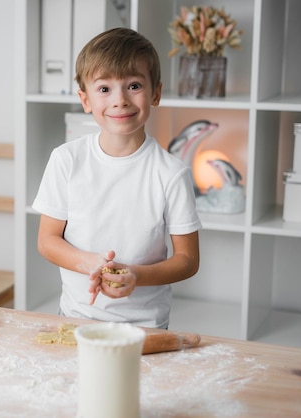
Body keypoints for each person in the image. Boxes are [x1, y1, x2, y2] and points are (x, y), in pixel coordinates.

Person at [32, 28, 201, 329]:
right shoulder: (66, 160)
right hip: (76, 318)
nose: (120, 100)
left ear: (156, 93)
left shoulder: (172, 173)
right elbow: (47, 240)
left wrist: (136, 276)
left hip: (146, 325)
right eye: (105, 89)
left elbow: (188, 259)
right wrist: (91, 264)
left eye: (134, 85)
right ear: (85, 99)